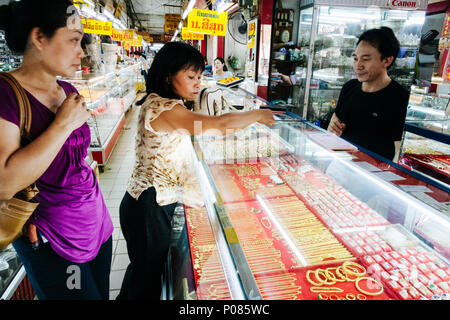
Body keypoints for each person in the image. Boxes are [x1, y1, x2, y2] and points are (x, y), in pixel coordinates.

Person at [117, 41, 274, 300]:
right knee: (143, 283)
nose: (197, 83)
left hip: (153, 202)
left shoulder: (163, 103)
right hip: (149, 206)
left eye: (199, 76)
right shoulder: (162, 107)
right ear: (168, 75)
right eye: (191, 76)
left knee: (147, 276)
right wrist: (258, 115)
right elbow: (219, 125)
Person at [0, 0, 113, 299]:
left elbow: (76, 160)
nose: (82, 52)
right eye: (74, 41)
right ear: (39, 38)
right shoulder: (6, 94)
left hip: (96, 225)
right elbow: (4, 181)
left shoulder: (69, 91)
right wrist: (62, 125)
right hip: (53, 239)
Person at [327, 27, 409, 161]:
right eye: (355, 58)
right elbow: (334, 124)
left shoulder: (399, 98)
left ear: (387, 60)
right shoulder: (349, 87)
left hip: (376, 173)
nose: (358, 65)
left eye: (365, 59)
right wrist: (333, 127)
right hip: (341, 164)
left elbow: (399, 150)